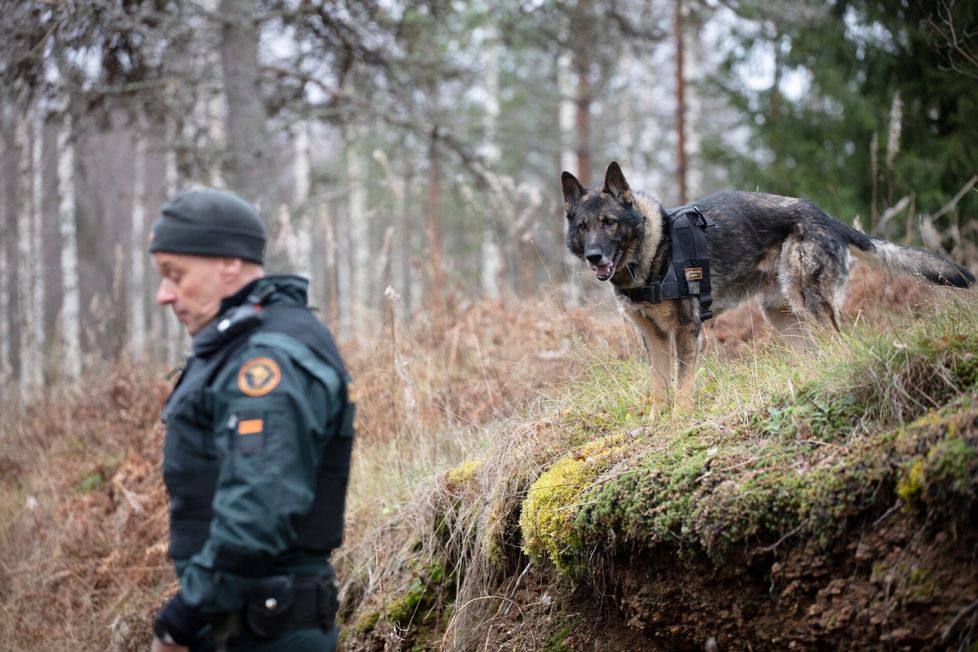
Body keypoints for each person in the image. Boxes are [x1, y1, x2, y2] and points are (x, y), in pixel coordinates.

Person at [147, 188, 355, 652]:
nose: (164, 294)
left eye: (174, 275)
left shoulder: (267, 359)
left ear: (228, 264)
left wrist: (183, 617)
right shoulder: (239, 342)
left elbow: (260, 506)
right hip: (238, 617)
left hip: (266, 628)